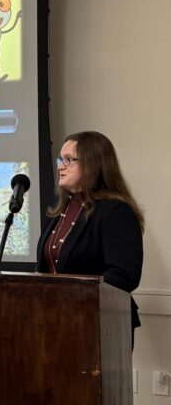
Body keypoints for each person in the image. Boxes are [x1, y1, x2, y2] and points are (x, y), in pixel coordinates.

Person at [37, 131, 144, 338]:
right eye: (60, 159)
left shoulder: (115, 211)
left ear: (93, 164)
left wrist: (74, 296)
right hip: (55, 318)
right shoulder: (60, 210)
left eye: (69, 160)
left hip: (100, 322)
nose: (60, 166)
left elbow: (124, 275)